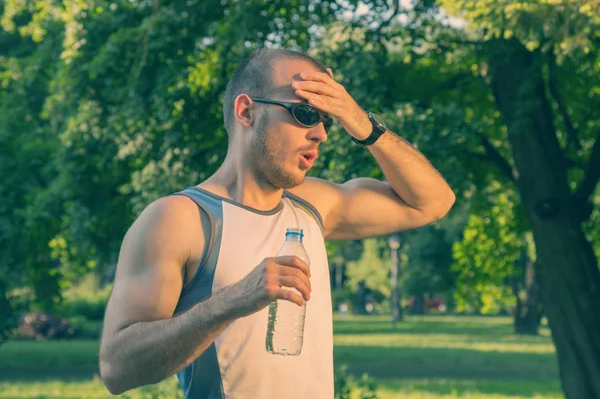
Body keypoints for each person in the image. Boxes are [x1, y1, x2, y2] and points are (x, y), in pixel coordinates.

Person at [98, 47, 455, 398]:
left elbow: (434, 203)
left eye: (326, 118)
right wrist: (228, 302)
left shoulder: (315, 205)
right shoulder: (180, 218)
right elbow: (117, 370)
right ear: (246, 111)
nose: (321, 134)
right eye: (303, 113)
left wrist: (361, 122)